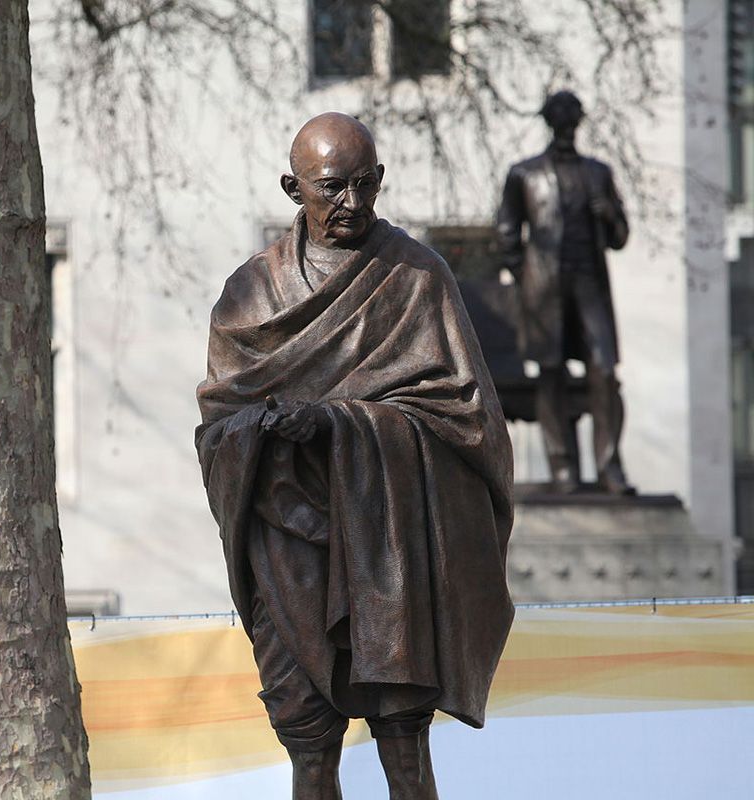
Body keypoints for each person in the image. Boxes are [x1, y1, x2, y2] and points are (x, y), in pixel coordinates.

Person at [195, 112, 514, 800]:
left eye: (366, 186)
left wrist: (340, 425)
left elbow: (466, 418)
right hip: (289, 544)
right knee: (309, 748)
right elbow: (219, 426)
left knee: (405, 749)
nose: (353, 205)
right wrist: (270, 428)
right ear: (292, 188)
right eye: (333, 188)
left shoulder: (415, 276)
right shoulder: (251, 295)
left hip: (390, 547)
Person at [496, 90, 633, 494]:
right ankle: (562, 467)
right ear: (550, 123)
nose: (567, 128)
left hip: (590, 283)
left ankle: (610, 467)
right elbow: (507, 231)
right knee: (551, 373)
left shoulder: (598, 172)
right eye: (561, 121)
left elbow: (620, 236)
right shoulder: (524, 173)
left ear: (579, 122)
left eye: (572, 120)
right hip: (545, 289)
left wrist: (608, 215)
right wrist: (526, 277)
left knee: (604, 370)